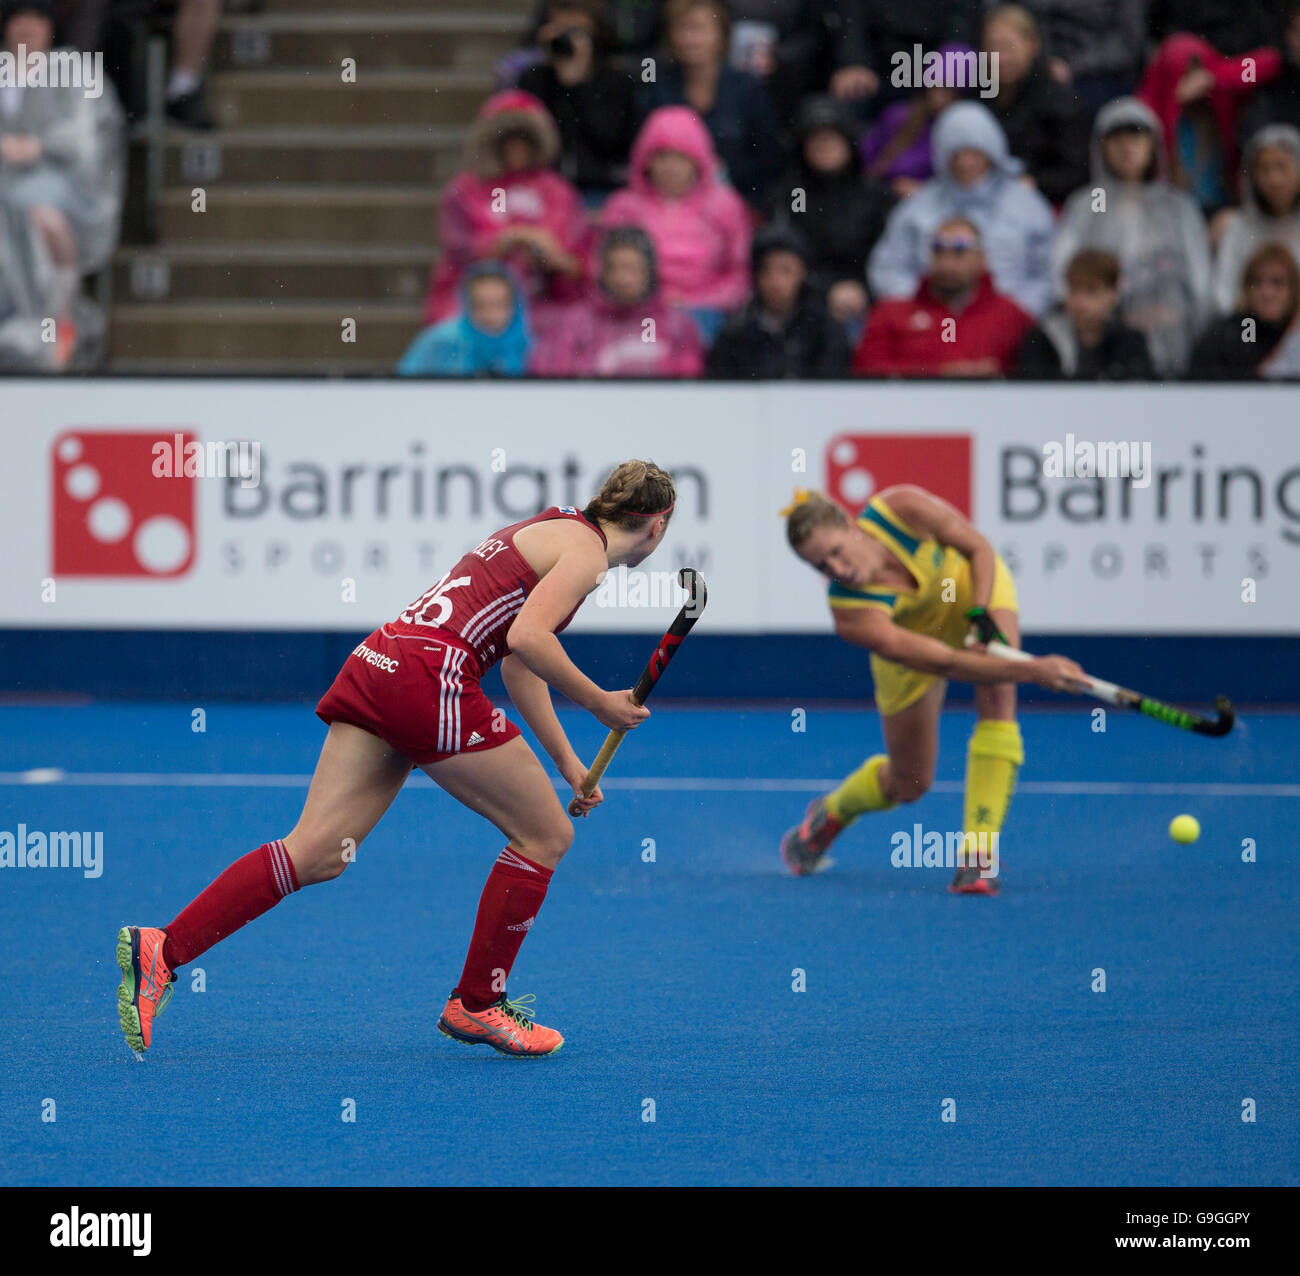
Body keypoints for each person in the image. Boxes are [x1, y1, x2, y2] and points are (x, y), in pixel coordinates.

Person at [116, 462, 677, 1060]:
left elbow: (519, 663)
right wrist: (599, 704)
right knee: (545, 835)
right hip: (431, 679)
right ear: (657, 525)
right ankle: (478, 1004)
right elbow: (529, 641)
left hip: (381, 661)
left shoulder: (553, 526)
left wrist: (568, 763)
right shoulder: (587, 558)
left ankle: (163, 950)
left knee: (317, 852)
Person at [777, 486, 1087, 893]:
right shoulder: (852, 614)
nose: (836, 568)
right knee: (910, 784)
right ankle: (831, 813)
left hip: (969, 589)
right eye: (821, 565)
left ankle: (977, 858)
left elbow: (977, 547)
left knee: (998, 688)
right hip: (916, 647)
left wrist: (980, 612)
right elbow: (944, 661)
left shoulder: (902, 510)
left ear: (851, 526)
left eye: (836, 551)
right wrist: (1034, 671)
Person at [0, 0, 124, 364]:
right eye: (19, 18)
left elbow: (87, 139)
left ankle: (49, 320)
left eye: (37, 19)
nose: (27, 27)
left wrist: (39, 147)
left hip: (67, 186)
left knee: (37, 211)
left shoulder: (72, 70)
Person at [1052, 97, 1213, 376]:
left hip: (1173, 340)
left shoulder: (1178, 206)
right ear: (1102, 146)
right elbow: (1061, 274)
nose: (1126, 147)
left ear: (1154, 145)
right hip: (1103, 343)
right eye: (1116, 138)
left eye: (1136, 137)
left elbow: (1201, 283)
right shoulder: (1087, 203)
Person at [868, 101, 1055, 318]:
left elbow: (1048, 273)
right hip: (931, 324)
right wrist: (922, 308)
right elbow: (888, 266)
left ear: (992, 151)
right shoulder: (917, 205)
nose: (965, 163)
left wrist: (1012, 315)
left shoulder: (1027, 205)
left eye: (974, 153)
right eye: (956, 155)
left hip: (1009, 326)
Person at [422, 91, 590, 325]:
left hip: (542, 299)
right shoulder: (465, 189)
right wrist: (505, 242)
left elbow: (578, 259)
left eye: (523, 139)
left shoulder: (557, 192)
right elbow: (457, 249)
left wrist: (552, 256)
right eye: (508, 139)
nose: (516, 148)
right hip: (476, 299)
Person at [602, 105, 751, 343]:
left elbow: (739, 273)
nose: (670, 167)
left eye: (680, 157)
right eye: (661, 156)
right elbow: (602, 269)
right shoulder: (623, 206)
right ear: (645, 160)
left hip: (706, 314)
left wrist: (698, 301)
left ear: (698, 160)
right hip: (634, 311)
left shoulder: (725, 205)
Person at [765, 94, 893, 329]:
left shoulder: (875, 196)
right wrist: (824, 291)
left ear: (848, 142)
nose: (823, 145)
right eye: (815, 138)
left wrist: (864, 290)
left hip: (868, 300)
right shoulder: (793, 196)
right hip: (805, 303)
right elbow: (785, 252)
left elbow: (892, 255)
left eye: (831, 138)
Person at [639, 0, 783, 206]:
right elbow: (643, 157)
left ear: (721, 34)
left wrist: (721, 171)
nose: (691, 39)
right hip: (668, 205)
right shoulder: (658, 89)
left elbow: (769, 159)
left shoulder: (748, 88)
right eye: (682, 29)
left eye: (699, 29)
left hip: (739, 202)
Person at [856, 216, 1034, 377]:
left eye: (959, 251)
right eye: (938, 250)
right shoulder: (891, 313)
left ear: (982, 258)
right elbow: (866, 369)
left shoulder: (1010, 316)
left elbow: (1037, 377)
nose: (947, 262)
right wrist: (937, 373)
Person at [1136, 32, 1281, 215]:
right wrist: (1174, 100)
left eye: (1197, 71)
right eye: (1183, 73)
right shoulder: (1150, 109)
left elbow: (1272, 61)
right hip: (1169, 212)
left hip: (1220, 208)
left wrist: (1215, 76)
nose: (1193, 83)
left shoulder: (1221, 100)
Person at [530, 224, 704, 376]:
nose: (623, 279)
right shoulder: (576, 322)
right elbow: (556, 380)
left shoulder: (677, 324)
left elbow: (689, 382)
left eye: (632, 269)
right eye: (615, 268)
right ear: (603, 273)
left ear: (649, 272)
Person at [516, 0, 642, 199]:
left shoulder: (618, 81)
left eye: (576, 32)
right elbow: (530, 142)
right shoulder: (533, 79)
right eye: (560, 30)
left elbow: (609, 143)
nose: (567, 39)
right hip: (543, 190)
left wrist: (578, 86)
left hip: (600, 189)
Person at [706, 225, 851, 378]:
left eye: (786, 270)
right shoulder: (735, 331)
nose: (776, 281)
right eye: (766, 270)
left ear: (802, 272)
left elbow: (832, 387)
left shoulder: (825, 329)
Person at [980, 4, 1088, 204]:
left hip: (1041, 203)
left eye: (1008, 48)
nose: (1000, 58)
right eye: (993, 47)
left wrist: (1036, 183)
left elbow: (1077, 172)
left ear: (1032, 45)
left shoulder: (1058, 98)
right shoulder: (977, 94)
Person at [1016, 248, 1155, 378]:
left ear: (1113, 293)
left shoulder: (1131, 342)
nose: (1080, 302)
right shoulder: (1042, 339)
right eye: (1074, 290)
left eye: (1091, 292)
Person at [829, 0, 982, 113]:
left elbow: (961, 29)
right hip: (878, 71)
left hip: (931, 71)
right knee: (850, 97)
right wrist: (854, 62)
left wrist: (945, 76)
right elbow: (853, 23)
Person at [859, 46, 970, 197]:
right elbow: (866, 158)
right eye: (935, 86)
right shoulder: (897, 115)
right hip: (880, 197)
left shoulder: (964, 132)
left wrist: (923, 191)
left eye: (948, 90)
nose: (938, 97)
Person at [1212, 125, 1300, 314]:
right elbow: (1224, 294)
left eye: (1282, 167)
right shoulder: (1239, 228)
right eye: (1265, 169)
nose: (1274, 179)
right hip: (1253, 328)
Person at [1010, 0, 1147, 120]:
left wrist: (1073, 66)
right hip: (1041, 66)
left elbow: (1126, 44)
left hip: (1100, 75)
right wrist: (1044, 59)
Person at [397, 263, 532, 377]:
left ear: (516, 305)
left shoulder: (532, 347)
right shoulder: (440, 342)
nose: (489, 314)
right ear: (466, 304)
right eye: (479, 305)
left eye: (499, 304)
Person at [1189, 241, 1300, 378]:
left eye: (1277, 282)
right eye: (1257, 282)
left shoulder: (1295, 335)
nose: (1267, 293)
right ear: (1246, 288)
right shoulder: (1226, 337)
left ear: (1293, 289)